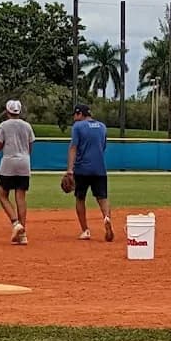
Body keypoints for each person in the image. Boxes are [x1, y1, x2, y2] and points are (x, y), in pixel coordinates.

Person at [65, 103, 113, 241]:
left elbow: (73, 148)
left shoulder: (78, 127)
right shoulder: (102, 127)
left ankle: (85, 230)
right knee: (102, 198)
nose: (74, 118)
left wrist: (69, 170)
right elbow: (103, 147)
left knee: (80, 198)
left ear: (80, 114)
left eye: (75, 115)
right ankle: (107, 218)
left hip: (82, 168)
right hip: (100, 168)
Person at [0, 99, 35, 244]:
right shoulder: (27, 126)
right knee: (21, 197)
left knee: (2, 194)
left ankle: (16, 223)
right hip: (24, 162)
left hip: (9, 162)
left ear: (7, 111)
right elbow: (30, 147)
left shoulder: (4, 126)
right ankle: (23, 235)